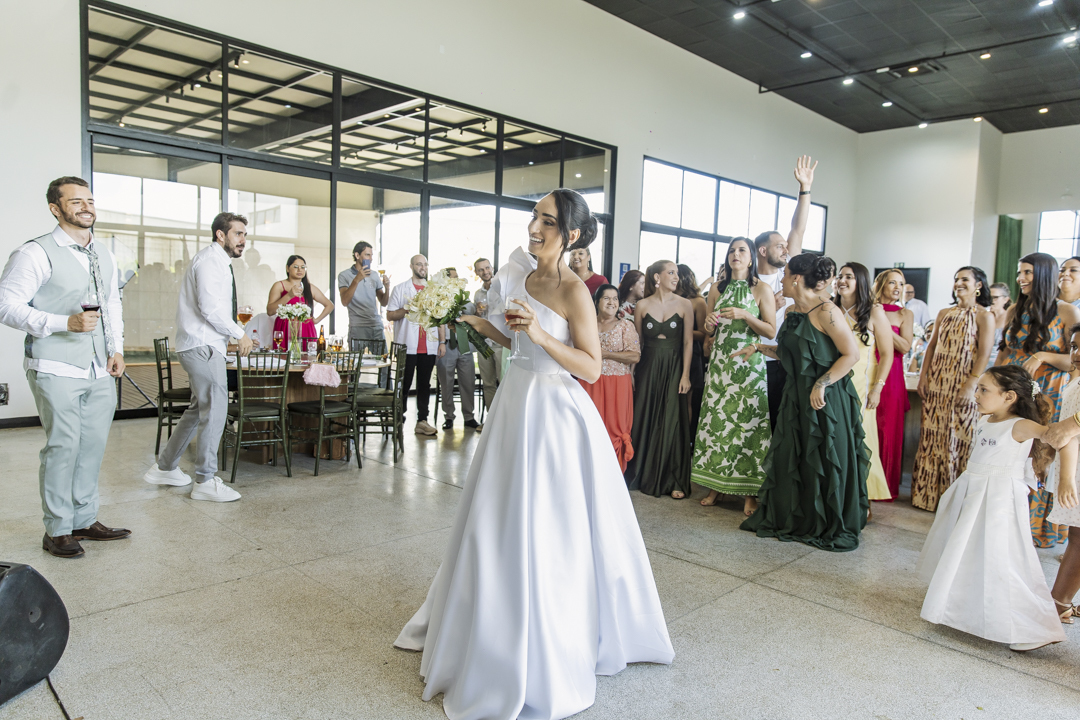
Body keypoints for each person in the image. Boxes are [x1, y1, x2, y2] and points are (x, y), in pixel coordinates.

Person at [395, 189, 673, 720]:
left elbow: (591, 367)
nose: (534, 227)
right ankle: (488, 618)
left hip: (553, 413)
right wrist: (479, 324)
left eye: (547, 220)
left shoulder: (575, 291)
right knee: (495, 518)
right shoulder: (520, 272)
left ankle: (547, 633)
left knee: (546, 526)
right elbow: (513, 340)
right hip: (513, 404)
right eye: (534, 217)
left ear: (569, 234)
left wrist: (543, 334)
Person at [0, 176, 130, 557]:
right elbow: (6, 306)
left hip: (99, 367)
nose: (86, 206)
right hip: (55, 365)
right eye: (75, 201)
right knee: (63, 446)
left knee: (92, 446)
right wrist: (63, 323)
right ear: (56, 209)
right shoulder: (34, 253)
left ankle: (84, 520)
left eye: (89, 200)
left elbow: (112, 306)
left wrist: (116, 348)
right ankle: (56, 529)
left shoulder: (104, 253)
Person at [916, 365, 1066, 652]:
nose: (977, 394)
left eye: (984, 389)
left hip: (999, 498)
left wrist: (1066, 478)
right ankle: (963, 606)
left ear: (1009, 396)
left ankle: (1035, 627)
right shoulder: (985, 420)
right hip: (975, 492)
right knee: (971, 551)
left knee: (1004, 557)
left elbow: (1059, 438)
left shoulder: (1020, 425)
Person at [738, 253, 869, 552]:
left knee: (824, 457)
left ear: (796, 278)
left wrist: (822, 384)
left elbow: (852, 355)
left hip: (826, 398)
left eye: (784, 274)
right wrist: (758, 347)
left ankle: (825, 521)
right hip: (795, 396)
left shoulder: (828, 312)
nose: (781, 279)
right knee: (795, 459)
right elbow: (789, 353)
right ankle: (800, 518)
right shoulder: (794, 311)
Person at [142, 212, 255, 503]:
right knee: (216, 408)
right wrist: (238, 333)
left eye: (245, 234)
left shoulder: (218, 262)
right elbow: (209, 308)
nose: (243, 239)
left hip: (202, 344)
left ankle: (165, 467)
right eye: (238, 233)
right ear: (221, 234)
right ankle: (205, 480)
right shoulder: (209, 261)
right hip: (201, 346)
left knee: (198, 409)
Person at [996, 252, 1080, 547]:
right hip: (1014, 391)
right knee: (1011, 450)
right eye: (1020, 272)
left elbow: (1075, 360)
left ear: (1044, 274)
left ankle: (1037, 529)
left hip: (1048, 392)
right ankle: (1005, 520)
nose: (1021, 278)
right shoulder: (1015, 309)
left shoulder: (1066, 312)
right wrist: (990, 386)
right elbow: (1004, 351)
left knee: (1040, 457)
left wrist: (1042, 355)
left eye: (1028, 273)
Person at [693, 239, 776, 516]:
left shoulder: (762, 289)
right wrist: (708, 325)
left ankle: (750, 492)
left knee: (748, 423)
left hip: (748, 363)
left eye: (741, 250)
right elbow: (709, 327)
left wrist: (744, 314)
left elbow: (771, 331)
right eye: (731, 250)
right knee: (718, 423)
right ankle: (717, 484)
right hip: (720, 365)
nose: (735, 254)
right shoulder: (717, 288)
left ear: (751, 258)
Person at [911, 267, 995, 512]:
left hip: (963, 383)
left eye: (965, 279)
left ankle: (956, 501)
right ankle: (928, 496)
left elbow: (984, 353)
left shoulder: (984, 316)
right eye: (956, 279)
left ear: (978, 285)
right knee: (933, 436)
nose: (959, 283)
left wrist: (972, 383)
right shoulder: (944, 312)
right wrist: (923, 376)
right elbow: (931, 346)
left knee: (960, 435)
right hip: (937, 383)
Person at [754, 155, 817, 429]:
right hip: (756, 359)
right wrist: (771, 307)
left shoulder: (786, 275)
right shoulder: (750, 281)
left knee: (783, 424)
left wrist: (804, 189)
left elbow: (798, 229)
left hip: (785, 359)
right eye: (780, 246)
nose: (786, 249)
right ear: (763, 251)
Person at [624, 260, 694, 499]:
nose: (677, 277)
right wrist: (631, 374)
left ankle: (673, 478)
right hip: (648, 366)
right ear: (657, 277)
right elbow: (638, 344)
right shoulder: (642, 306)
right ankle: (642, 473)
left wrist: (685, 375)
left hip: (675, 365)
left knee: (672, 417)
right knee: (645, 415)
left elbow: (687, 342)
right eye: (671, 273)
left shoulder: (685, 305)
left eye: (676, 273)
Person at [834, 262, 894, 504]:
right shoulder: (831, 310)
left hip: (862, 384)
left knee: (862, 440)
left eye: (848, 276)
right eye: (839, 276)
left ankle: (863, 497)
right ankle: (838, 493)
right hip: (835, 382)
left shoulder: (874, 312)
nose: (842, 280)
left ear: (861, 281)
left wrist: (878, 387)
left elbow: (887, 353)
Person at [580, 284, 640, 472]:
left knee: (614, 428)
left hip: (617, 383)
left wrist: (606, 354)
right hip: (589, 381)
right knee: (589, 426)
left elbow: (635, 356)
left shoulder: (625, 325)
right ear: (597, 302)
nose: (611, 302)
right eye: (606, 298)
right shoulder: (585, 324)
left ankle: (613, 475)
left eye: (615, 299)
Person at [1045, 323, 1080, 626]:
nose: (1076, 353)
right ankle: (1064, 601)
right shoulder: (1076, 378)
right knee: (1075, 537)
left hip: (1076, 468)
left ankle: (1057, 604)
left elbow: (1071, 435)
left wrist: (1067, 478)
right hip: (1072, 464)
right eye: (1073, 346)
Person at [387, 255, 440, 436]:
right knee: (404, 384)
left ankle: (422, 421)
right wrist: (408, 309)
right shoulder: (400, 289)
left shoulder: (434, 290)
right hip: (407, 346)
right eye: (419, 264)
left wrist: (442, 342)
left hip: (428, 346)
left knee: (425, 385)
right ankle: (398, 419)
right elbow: (390, 315)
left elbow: (439, 318)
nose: (423, 267)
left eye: (425, 264)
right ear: (411, 266)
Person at [872, 269, 913, 500]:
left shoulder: (905, 314)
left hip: (893, 375)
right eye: (892, 283)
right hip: (869, 368)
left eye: (901, 284)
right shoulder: (868, 307)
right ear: (881, 285)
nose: (898, 287)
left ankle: (886, 485)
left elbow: (905, 347)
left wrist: (882, 325)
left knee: (888, 428)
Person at [436, 267, 480, 431]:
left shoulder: (466, 299)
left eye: (457, 277)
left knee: (468, 382)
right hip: (446, 345)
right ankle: (449, 416)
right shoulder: (439, 299)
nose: (457, 280)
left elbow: (475, 317)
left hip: (465, 345)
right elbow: (438, 321)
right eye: (454, 277)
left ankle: (469, 416)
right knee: (446, 383)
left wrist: (478, 309)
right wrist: (441, 342)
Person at [267, 254, 333, 347]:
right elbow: (270, 311)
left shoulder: (310, 288)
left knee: (307, 357)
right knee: (283, 358)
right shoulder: (279, 286)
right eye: (295, 267)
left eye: (303, 267)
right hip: (285, 328)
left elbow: (329, 305)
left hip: (306, 328)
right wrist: (289, 295)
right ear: (287, 268)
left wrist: (316, 320)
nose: (300, 270)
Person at [338, 241, 391, 352]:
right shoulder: (344, 275)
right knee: (355, 365)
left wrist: (387, 288)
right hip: (357, 327)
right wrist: (357, 279)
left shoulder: (375, 275)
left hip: (376, 326)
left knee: (384, 364)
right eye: (367, 255)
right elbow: (344, 301)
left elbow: (384, 302)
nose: (371, 258)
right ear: (357, 256)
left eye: (371, 255)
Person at [676, 264, 708, 437]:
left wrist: (681, 331)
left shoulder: (698, 301)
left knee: (687, 399)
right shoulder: (670, 299)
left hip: (692, 354)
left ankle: (685, 440)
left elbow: (704, 333)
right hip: (672, 351)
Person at [472, 257, 499, 416]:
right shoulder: (477, 294)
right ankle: (491, 421)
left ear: (492, 268)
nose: (485, 272)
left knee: (503, 383)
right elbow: (477, 320)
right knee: (488, 384)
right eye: (481, 270)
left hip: (500, 343)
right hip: (484, 344)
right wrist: (477, 312)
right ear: (477, 273)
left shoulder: (502, 289)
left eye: (487, 268)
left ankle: (504, 422)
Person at [988, 282, 1011, 367]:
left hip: (999, 365)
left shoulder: (1010, 318)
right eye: (989, 297)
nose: (991, 301)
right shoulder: (983, 317)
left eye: (995, 298)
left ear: (1006, 299)